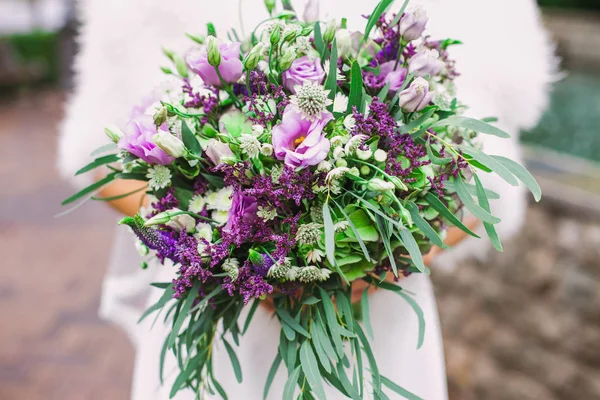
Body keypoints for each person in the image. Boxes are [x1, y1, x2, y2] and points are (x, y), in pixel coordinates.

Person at [58, 0, 556, 398]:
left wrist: (402, 251)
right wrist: (221, 251)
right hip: (221, 321)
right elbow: (105, 164)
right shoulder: (136, 10)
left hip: (371, 322)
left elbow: (485, 186)